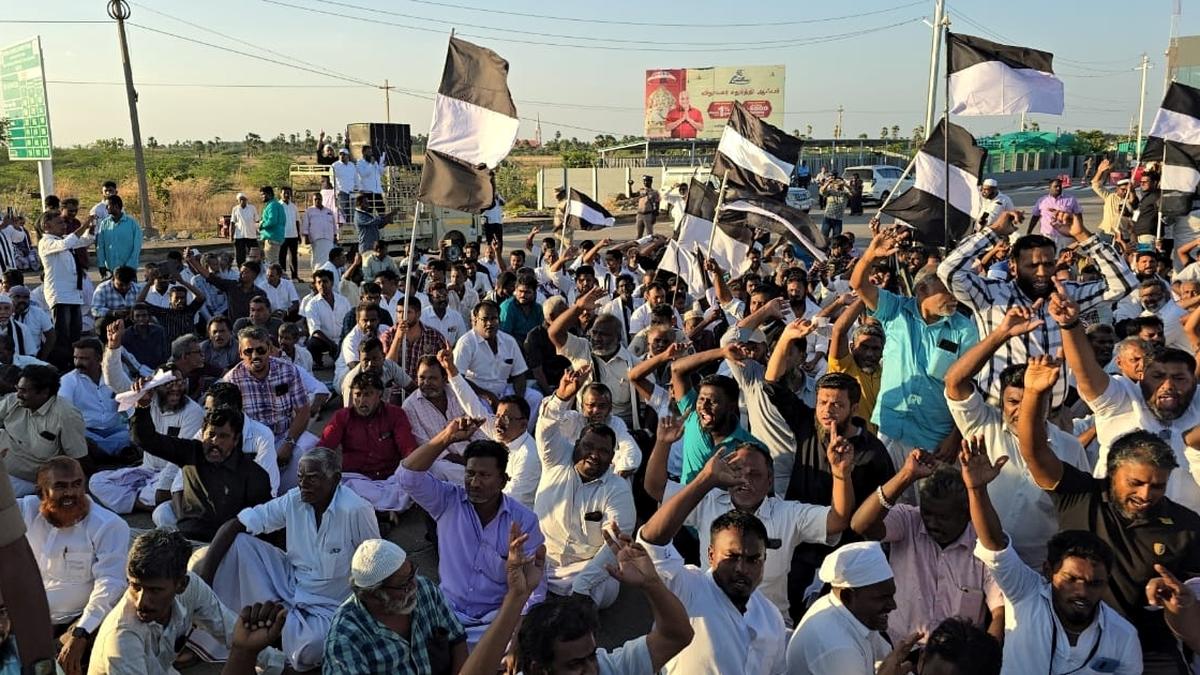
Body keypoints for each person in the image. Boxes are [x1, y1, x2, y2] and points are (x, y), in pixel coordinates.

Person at [1017, 347, 1200, 675]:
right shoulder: (1080, 495)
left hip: (1152, 652)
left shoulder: (1187, 527)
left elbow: (1193, 628)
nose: (1147, 495)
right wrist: (1032, 394)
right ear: (1112, 472)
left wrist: (1177, 605)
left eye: (1157, 486)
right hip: (1067, 645)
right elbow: (1034, 452)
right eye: (1136, 483)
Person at [646, 410, 855, 622]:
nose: (745, 480)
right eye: (737, 471)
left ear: (770, 480)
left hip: (773, 625)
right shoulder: (707, 500)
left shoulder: (788, 513)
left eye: (754, 475)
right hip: (712, 619)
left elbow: (837, 520)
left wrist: (841, 474)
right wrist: (663, 443)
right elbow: (655, 488)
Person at [960, 436, 1144, 675]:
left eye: (1094, 583)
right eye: (1071, 579)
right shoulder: (1025, 593)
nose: (1082, 592)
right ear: (1048, 571)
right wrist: (977, 491)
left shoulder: (1123, 635)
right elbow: (995, 544)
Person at [193, 447, 378, 672]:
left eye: (313, 478)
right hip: (290, 582)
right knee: (238, 544)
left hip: (330, 604)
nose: (303, 484)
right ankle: (267, 630)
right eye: (300, 477)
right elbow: (236, 524)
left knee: (313, 647)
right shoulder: (294, 499)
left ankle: (271, 636)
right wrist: (204, 582)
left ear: (336, 479)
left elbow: (375, 568)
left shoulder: (357, 509)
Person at [943, 307, 1092, 566]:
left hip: (1037, 568)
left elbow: (1078, 511)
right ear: (1001, 402)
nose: (1022, 410)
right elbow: (955, 381)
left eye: (1033, 399)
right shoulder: (982, 423)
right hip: (976, 561)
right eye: (1013, 401)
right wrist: (1002, 333)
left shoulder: (1069, 447)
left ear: (1049, 401)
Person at [461, 522, 694, 675]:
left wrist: (651, 584)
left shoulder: (608, 668)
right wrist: (516, 597)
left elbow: (677, 636)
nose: (591, 670)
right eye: (575, 665)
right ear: (537, 670)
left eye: (591, 656)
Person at [397, 419, 547, 645]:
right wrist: (446, 437)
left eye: (484, 476)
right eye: (470, 474)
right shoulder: (447, 501)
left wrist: (516, 638)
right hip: (445, 613)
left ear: (503, 481)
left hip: (496, 621)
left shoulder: (524, 521)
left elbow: (535, 590)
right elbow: (407, 476)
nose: (474, 483)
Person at [1054, 282, 1200, 511]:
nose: (1168, 385)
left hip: (1185, 534)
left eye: (1179, 378)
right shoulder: (1122, 396)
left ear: (1194, 382)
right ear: (1141, 377)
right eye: (1158, 376)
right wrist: (1070, 325)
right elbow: (1086, 372)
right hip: (1117, 528)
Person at [636, 465, 788, 673]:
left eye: (753, 560)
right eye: (731, 557)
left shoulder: (771, 618)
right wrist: (705, 481)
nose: (742, 568)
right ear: (711, 555)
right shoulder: (688, 588)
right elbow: (652, 543)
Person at [852, 226, 977, 475]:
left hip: (934, 439)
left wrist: (955, 435)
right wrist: (870, 256)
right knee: (888, 504)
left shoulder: (964, 329)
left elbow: (970, 387)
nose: (955, 298)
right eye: (947, 291)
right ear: (922, 290)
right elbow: (858, 284)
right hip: (890, 428)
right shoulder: (895, 310)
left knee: (928, 510)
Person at [850, 453, 1004, 644]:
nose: (932, 522)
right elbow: (860, 525)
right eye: (927, 513)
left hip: (955, 661)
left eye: (943, 517)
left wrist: (986, 658)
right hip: (897, 648)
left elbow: (1000, 613)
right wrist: (906, 475)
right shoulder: (909, 520)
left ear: (967, 513)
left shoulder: (983, 543)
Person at [87, 528, 284, 674]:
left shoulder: (191, 589)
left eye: (155, 590)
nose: (141, 602)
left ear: (181, 585)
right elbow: (241, 644)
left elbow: (229, 629)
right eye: (135, 586)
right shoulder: (123, 638)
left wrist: (279, 666)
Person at [530, 367, 635, 608]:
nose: (594, 455)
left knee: (605, 584)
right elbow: (545, 429)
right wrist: (561, 397)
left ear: (612, 458)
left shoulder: (618, 489)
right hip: (541, 558)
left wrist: (580, 588)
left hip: (584, 568)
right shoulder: (556, 457)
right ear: (577, 443)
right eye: (589, 446)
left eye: (603, 451)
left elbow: (613, 545)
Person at [19, 457, 128, 675]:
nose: (71, 493)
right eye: (60, 486)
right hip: (21, 617)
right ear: (41, 492)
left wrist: (81, 632)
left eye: (77, 484)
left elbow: (111, 583)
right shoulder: (26, 510)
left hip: (76, 622)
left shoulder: (109, 526)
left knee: (47, 667)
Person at [129, 382, 273, 541]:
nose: (215, 442)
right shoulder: (191, 452)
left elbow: (263, 519)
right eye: (210, 435)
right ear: (202, 433)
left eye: (223, 436)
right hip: (187, 538)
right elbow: (147, 440)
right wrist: (142, 407)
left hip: (228, 545)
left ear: (236, 439)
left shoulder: (254, 474)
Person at [323, 538, 467, 674]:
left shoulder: (425, 589)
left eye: (412, 573)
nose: (414, 585)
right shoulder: (344, 639)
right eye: (404, 585)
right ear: (372, 596)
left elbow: (457, 639)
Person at [89, 365, 203, 515]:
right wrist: (113, 348)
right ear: (155, 386)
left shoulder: (193, 411)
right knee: (96, 481)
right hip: (146, 471)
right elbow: (114, 380)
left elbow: (181, 458)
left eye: (180, 383)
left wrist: (163, 488)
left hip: (174, 474)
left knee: (156, 492)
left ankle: (134, 501)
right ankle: (143, 504)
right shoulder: (147, 400)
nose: (176, 389)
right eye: (169, 384)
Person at [786, 541, 896, 675]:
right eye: (882, 598)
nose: (893, 606)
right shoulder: (838, 647)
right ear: (847, 596)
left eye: (891, 596)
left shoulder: (855, 615)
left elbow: (884, 656)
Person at [221, 327, 312, 488]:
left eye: (260, 350)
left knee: (310, 450)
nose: (255, 356)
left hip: (283, 435)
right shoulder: (232, 380)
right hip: (251, 442)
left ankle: (289, 496)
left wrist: (289, 443)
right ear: (241, 353)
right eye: (249, 351)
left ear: (269, 350)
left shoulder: (287, 370)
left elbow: (303, 411)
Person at [319, 370, 418, 513]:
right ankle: (384, 512)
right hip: (357, 479)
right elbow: (324, 448)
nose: (361, 401)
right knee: (343, 488)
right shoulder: (342, 417)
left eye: (367, 394)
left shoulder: (396, 414)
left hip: (390, 478)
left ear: (379, 395)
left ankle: (374, 512)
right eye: (357, 395)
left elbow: (408, 450)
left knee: (409, 484)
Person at [550, 288, 642, 432]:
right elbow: (554, 333)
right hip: (584, 429)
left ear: (618, 338)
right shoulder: (581, 349)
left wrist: (645, 433)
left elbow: (649, 405)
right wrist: (578, 307)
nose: (597, 338)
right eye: (595, 332)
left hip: (620, 431)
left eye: (604, 334)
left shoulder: (634, 364)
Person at [0, 364, 88, 498]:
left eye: (24, 391)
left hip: (27, 480)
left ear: (44, 393)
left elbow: (77, 459)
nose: (18, 394)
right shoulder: (13, 401)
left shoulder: (66, 415)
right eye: (18, 389)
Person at [402, 354, 487, 484]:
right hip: (444, 462)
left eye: (432, 378)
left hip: (473, 454)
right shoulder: (410, 406)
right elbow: (425, 445)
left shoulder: (457, 394)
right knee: (438, 468)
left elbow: (478, 429)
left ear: (444, 378)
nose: (426, 383)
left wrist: (478, 457)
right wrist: (467, 462)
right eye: (422, 378)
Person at [453, 300, 537, 414]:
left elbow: (519, 374)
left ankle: (519, 430)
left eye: (494, 319)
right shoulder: (466, 342)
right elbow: (458, 377)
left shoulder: (509, 341)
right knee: (483, 411)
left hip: (503, 390)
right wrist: (487, 395)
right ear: (476, 320)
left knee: (535, 398)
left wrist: (517, 401)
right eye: (485, 319)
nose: (489, 323)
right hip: (477, 393)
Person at [38, 209, 96, 371]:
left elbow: (84, 241)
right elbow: (67, 243)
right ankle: (61, 367)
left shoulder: (61, 239)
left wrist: (91, 228)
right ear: (47, 226)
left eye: (64, 223)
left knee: (74, 335)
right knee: (62, 336)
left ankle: (74, 365)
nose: (64, 226)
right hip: (60, 296)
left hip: (73, 295)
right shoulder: (46, 242)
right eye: (59, 223)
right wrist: (84, 224)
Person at [58, 338, 132, 459]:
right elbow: (64, 411)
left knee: (132, 436)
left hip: (117, 431)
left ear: (99, 358)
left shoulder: (115, 376)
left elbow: (130, 399)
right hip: (88, 433)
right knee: (81, 441)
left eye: (84, 359)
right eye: (76, 358)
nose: (78, 363)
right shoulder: (68, 381)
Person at [300, 268, 350, 368]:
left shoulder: (343, 301)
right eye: (319, 282)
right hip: (325, 341)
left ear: (331, 283)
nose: (322, 285)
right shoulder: (312, 305)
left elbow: (350, 322)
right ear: (315, 285)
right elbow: (315, 331)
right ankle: (318, 362)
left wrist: (345, 340)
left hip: (343, 339)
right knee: (312, 342)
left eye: (325, 281)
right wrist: (332, 344)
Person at [1091, 158, 1136, 243]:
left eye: (1127, 190)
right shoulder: (1110, 197)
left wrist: (1132, 191)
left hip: (1123, 236)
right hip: (1107, 233)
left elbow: (1133, 202)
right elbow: (1095, 185)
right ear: (1117, 189)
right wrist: (1100, 171)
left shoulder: (1130, 200)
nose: (1125, 192)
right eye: (1123, 189)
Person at [95, 195, 142, 274]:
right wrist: (101, 264)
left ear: (116, 206)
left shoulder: (132, 223)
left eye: (108, 206)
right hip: (111, 270)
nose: (106, 208)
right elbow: (100, 245)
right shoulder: (104, 223)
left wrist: (130, 265)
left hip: (129, 270)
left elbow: (137, 247)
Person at [1032, 177, 1083, 248]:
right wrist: (1029, 231)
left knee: (1065, 257)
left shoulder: (1070, 199)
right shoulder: (1042, 201)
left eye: (1060, 186)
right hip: (1047, 236)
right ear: (1049, 187)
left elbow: (1078, 215)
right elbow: (1035, 216)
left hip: (1066, 237)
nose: (1058, 188)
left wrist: (1080, 232)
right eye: (1056, 186)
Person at [422, 281, 467, 346]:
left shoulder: (456, 316)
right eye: (438, 297)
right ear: (430, 300)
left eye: (445, 295)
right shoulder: (422, 317)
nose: (442, 299)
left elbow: (462, 340)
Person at [303, 192, 337, 270]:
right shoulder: (309, 211)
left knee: (328, 256)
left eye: (319, 199)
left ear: (322, 199)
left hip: (328, 239)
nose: (317, 201)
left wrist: (335, 236)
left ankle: (327, 271)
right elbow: (305, 225)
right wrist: (306, 237)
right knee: (316, 258)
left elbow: (334, 225)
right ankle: (316, 272)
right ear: (313, 200)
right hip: (316, 239)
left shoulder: (328, 211)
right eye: (315, 199)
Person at [277, 186, 300, 280]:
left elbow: (297, 221)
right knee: (282, 256)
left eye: (288, 193)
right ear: (280, 194)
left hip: (293, 235)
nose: (286, 195)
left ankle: (294, 276)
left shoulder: (293, 206)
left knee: (293, 257)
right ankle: (283, 276)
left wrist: (298, 234)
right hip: (282, 235)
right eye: (284, 193)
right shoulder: (278, 206)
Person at [230, 192, 259, 266]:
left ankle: (253, 270)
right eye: (240, 199)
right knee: (240, 256)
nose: (242, 201)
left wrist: (259, 232)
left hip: (251, 235)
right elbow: (232, 223)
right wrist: (231, 236)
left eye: (244, 199)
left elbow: (257, 221)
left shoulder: (252, 208)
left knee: (253, 255)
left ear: (247, 200)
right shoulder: (235, 209)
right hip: (239, 236)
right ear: (238, 200)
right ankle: (241, 271)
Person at [356, 144, 385, 214]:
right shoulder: (360, 163)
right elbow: (363, 174)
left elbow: (380, 173)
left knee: (382, 210)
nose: (370, 154)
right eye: (368, 152)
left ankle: (380, 224)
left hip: (377, 190)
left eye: (371, 152)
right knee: (368, 211)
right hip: (368, 191)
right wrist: (371, 165)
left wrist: (381, 165)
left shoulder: (374, 162)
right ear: (363, 153)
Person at [819, 173, 848, 239]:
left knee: (836, 238)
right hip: (828, 217)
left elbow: (853, 193)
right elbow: (822, 191)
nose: (838, 183)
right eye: (836, 182)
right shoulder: (830, 192)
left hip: (838, 218)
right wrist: (828, 182)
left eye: (839, 182)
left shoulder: (845, 193)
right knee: (823, 236)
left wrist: (846, 184)